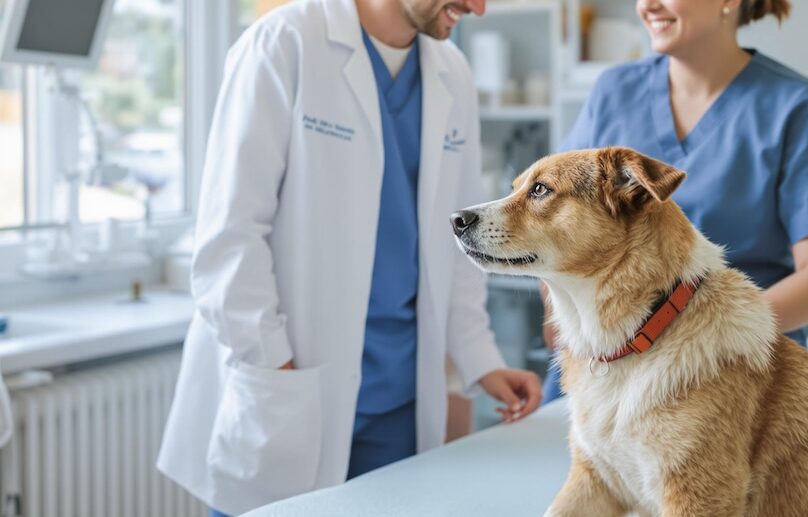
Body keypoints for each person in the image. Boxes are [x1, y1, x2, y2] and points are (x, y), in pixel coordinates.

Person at [155, 0, 543, 514]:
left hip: (399, 409)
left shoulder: (453, 73)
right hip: (291, 395)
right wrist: (276, 367)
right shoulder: (284, 43)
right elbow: (229, 237)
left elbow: (457, 244)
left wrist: (481, 358)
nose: (478, 7)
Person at [541, 0, 808, 402]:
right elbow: (550, 223)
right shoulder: (613, 92)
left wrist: (698, 334)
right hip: (605, 373)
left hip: (734, 369)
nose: (646, 6)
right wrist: (559, 316)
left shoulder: (798, 108)